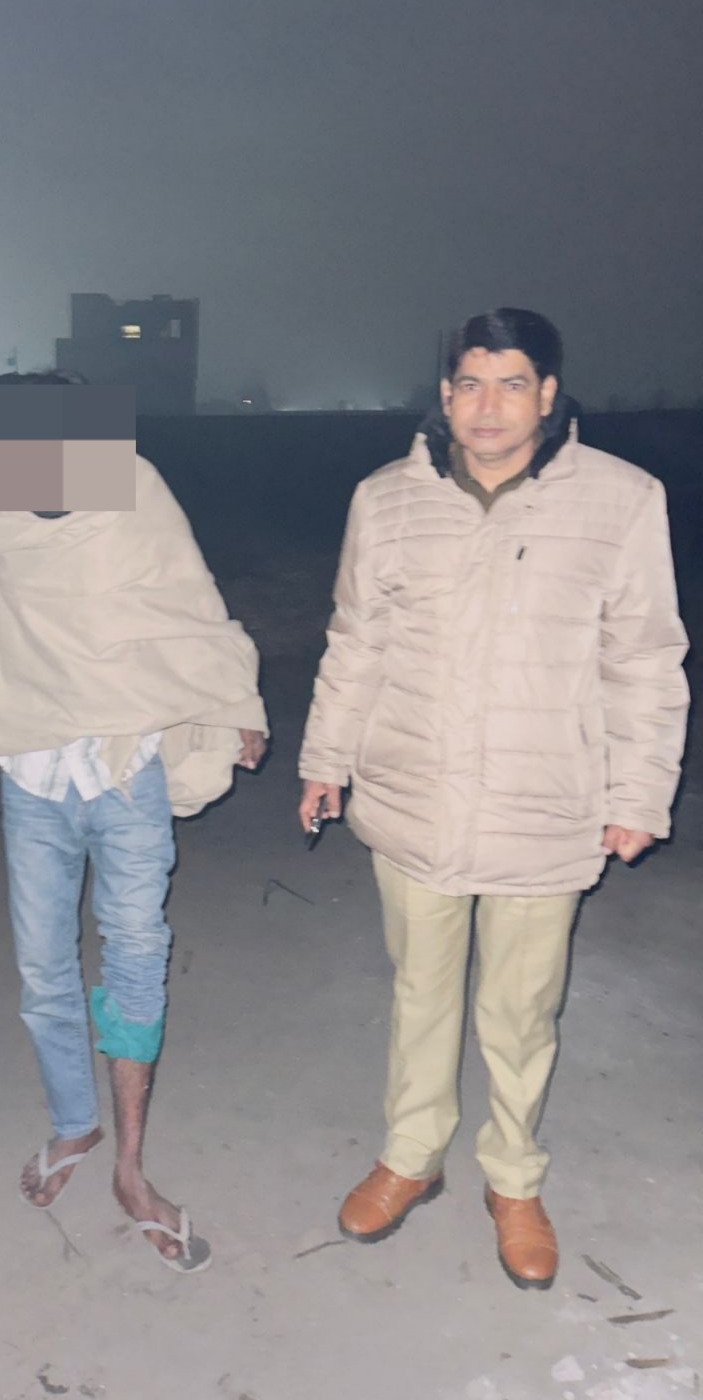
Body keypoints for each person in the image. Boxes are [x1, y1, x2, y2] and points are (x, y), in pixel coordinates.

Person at [298, 308, 689, 1289]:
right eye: (469, 384)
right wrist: (325, 759)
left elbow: (645, 657)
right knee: (420, 992)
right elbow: (356, 640)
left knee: (521, 1011)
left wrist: (640, 791)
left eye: (511, 384)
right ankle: (411, 1155)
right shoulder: (385, 499)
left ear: (547, 395)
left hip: (543, 799)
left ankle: (513, 1179)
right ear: (445, 394)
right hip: (414, 795)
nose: (487, 406)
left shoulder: (620, 499)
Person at [0, 378, 268, 1273]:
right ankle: (74, 1123)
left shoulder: (136, 492)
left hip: (124, 771)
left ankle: (130, 1165)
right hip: (34, 776)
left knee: (135, 956)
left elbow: (188, 602)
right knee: (43, 969)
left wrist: (235, 700)